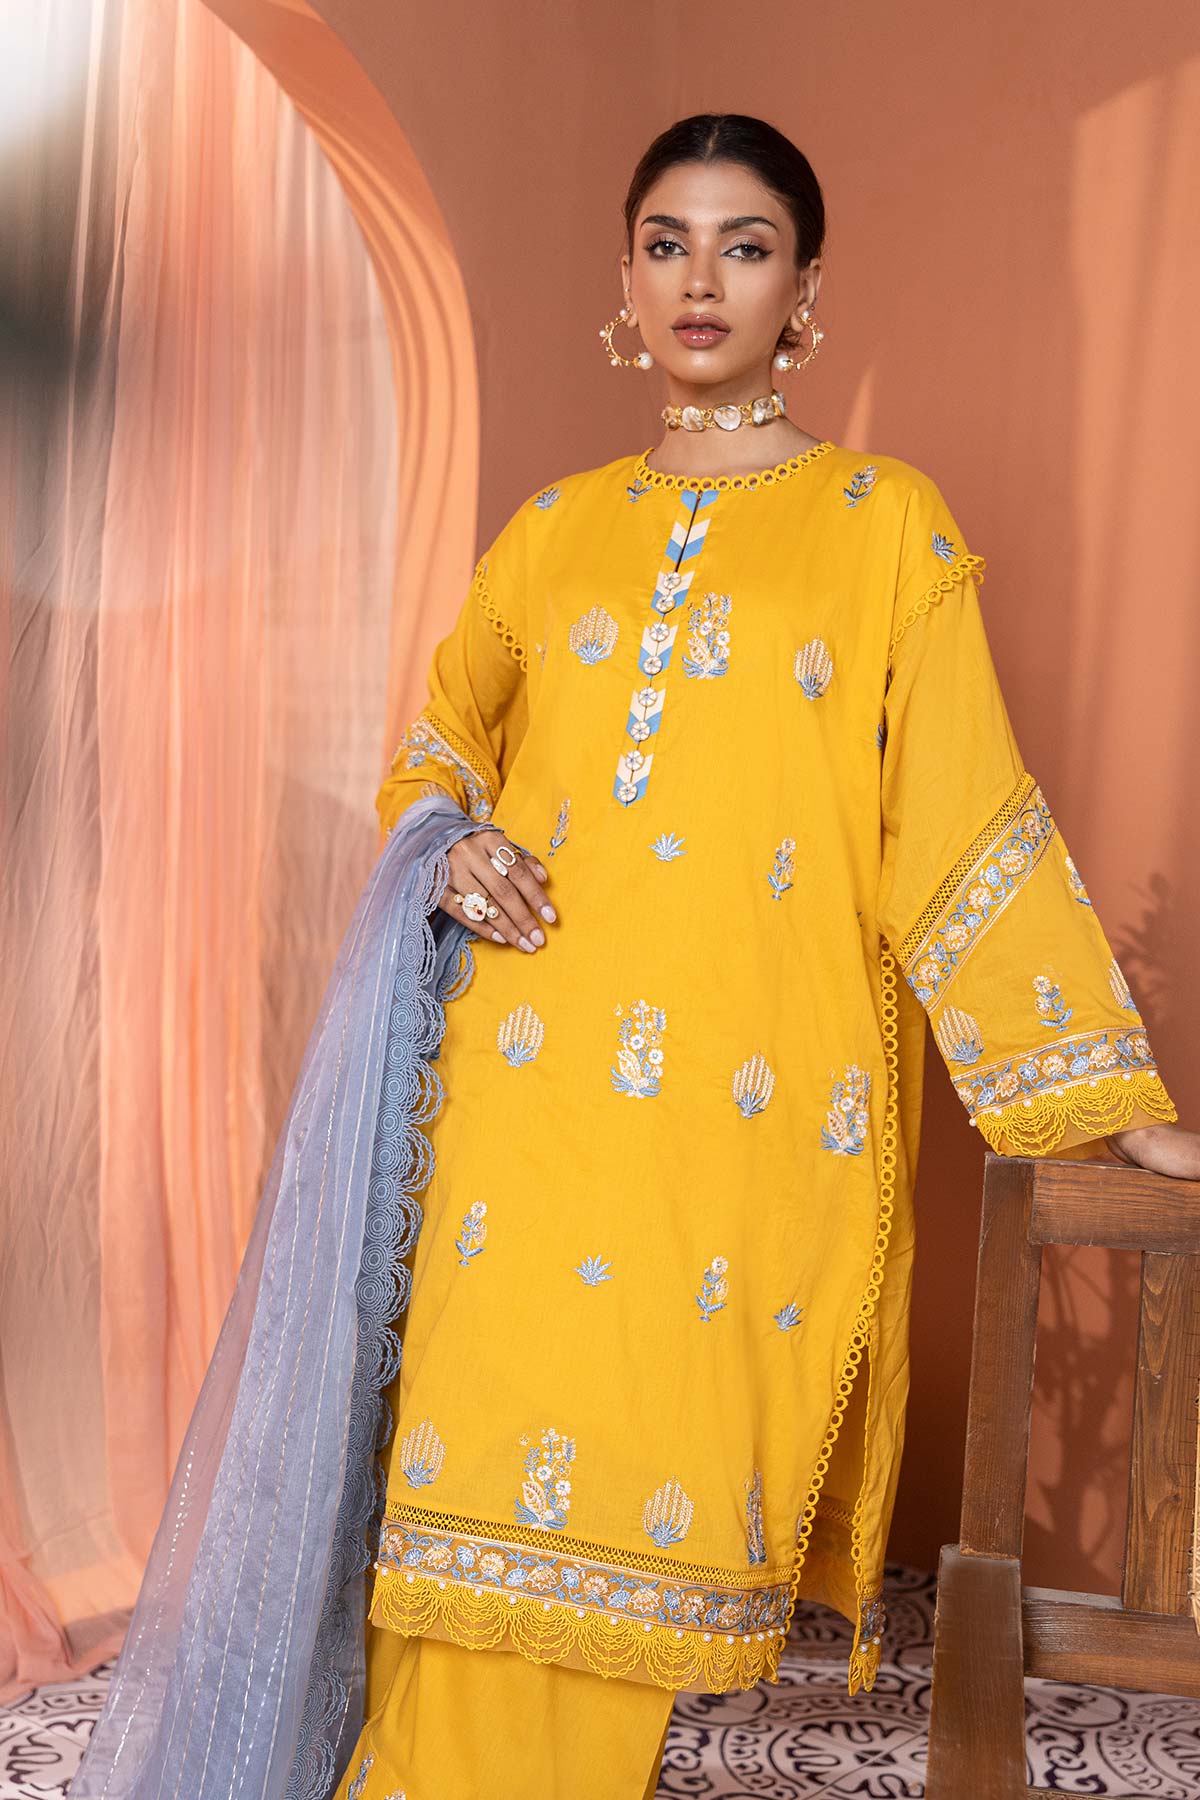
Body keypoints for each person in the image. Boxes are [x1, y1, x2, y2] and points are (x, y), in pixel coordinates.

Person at [70, 114, 1198, 1800]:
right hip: (517, 1096)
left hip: (739, 1104)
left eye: (746, 245)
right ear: (625, 276)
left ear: (805, 285)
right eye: (668, 242)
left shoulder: (885, 525)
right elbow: (436, 750)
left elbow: (963, 822)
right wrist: (446, 843)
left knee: (631, 1488)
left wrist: (1110, 1105)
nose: (701, 279)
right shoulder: (554, 530)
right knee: (465, 1497)